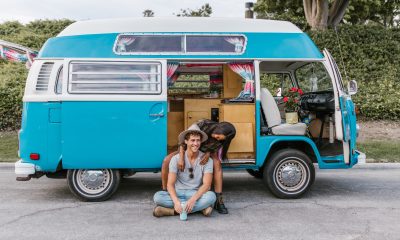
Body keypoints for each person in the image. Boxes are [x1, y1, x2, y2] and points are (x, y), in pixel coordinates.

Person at [161, 120, 236, 214]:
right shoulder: (204, 124)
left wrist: (208, 153)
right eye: (218, 136)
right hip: (187, 148)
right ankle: (166, 190)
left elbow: (215, 147)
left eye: (220, 139)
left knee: (217, 163)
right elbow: (183, 140)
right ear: (219, 129)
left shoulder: (221, 140)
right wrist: (181, 157)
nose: (218, 139)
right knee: (166, 160)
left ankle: (218, 200)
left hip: (205, 151)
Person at [153, 124, 216, 218]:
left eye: (198, 140)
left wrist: (193, 200)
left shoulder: (207, 160)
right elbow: (170, 184)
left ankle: (172, 211)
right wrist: (176, 201)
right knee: (158, 197)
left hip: (195, 193)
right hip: (178, 192)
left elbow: (207, 185)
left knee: (211, 196)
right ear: (186, 141)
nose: (196, 143)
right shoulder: (176, 159)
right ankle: (200, 209)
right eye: (192, 140)